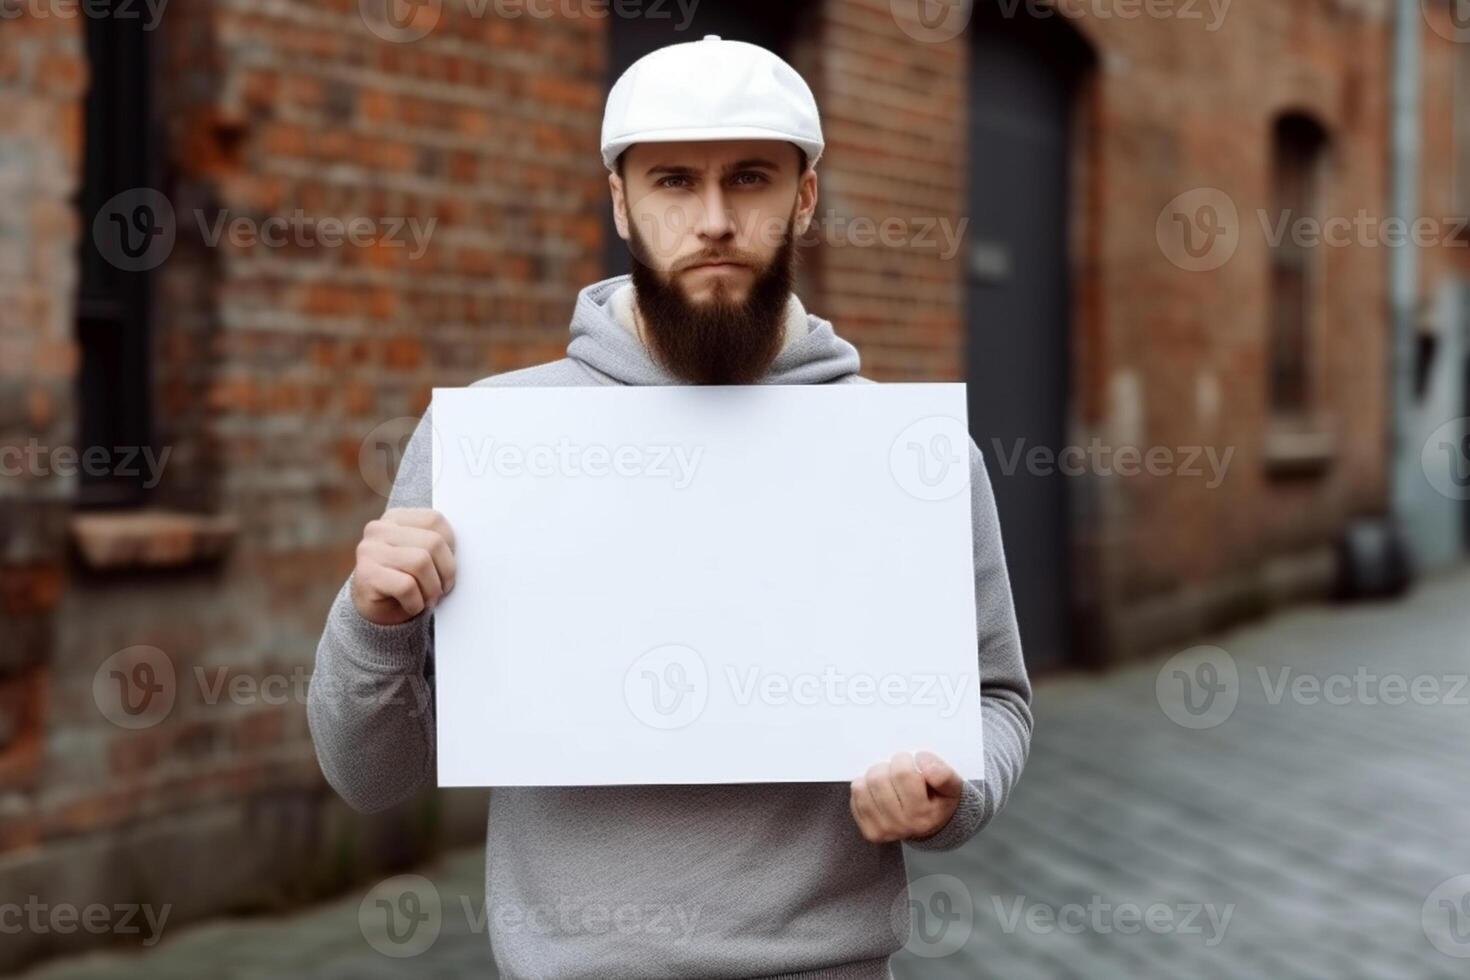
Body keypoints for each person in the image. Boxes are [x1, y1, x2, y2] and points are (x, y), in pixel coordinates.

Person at [307, 34, 1031, 980]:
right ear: (621, 200)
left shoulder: (907, 459)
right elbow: (369, 778)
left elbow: (997, 701)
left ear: (804, 195)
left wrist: (953, 792)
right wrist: (371, 623)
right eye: (676, 182)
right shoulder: (494, 441)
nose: (717, 219)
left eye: (752, 179)